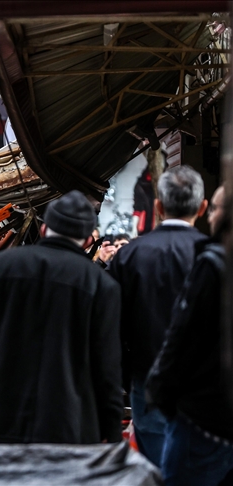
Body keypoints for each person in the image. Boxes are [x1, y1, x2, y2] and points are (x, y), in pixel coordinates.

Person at [0, 190, 123, 444]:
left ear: (44, 229)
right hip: (68, 425)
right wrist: (111, 429)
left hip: (5, 414)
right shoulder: (102, 286)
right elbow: (106, 366)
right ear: (86, 240)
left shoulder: (3, 266)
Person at [108, 165, 208, 466]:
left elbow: (110, 324)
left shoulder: (129, 256)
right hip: (204, 387)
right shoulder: (214, 255)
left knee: (153, 465)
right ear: (202, 208)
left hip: (146, 380)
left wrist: (126, 374)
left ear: (158, 207)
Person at [146, 185, 233, 485]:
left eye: (218, 209)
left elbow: (182, 338)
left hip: (204, 417)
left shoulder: (213, 264)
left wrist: (159, 392)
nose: (212, 215)